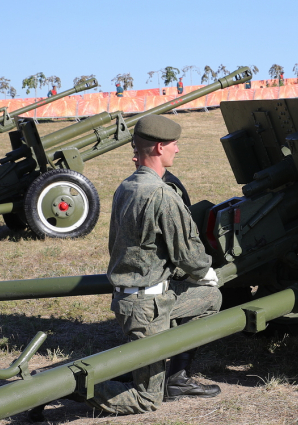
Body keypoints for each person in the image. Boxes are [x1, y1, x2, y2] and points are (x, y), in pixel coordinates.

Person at [87, 114, 221, 416]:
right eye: (174, 144)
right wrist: (207, 272)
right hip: (148, 308)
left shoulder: (127, 187)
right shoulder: (162, 194)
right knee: (148, 400)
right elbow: (189, 255)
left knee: (210, 298)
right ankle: (74, 389)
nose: (178, 150)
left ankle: (176, 375)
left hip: (132, 299)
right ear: (159, 148)